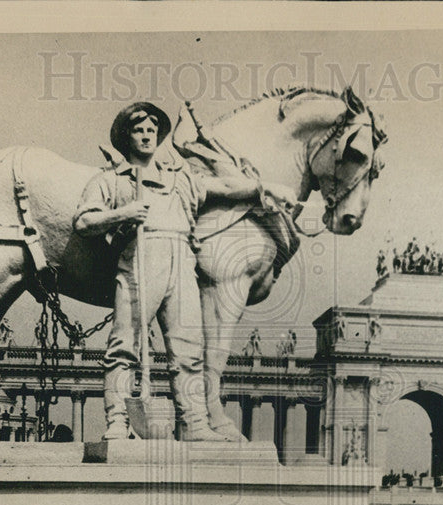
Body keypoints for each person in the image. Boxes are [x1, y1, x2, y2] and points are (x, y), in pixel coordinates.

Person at [74, 102, 294, 440]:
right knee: (124, 345)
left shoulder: (180, 179)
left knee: (189, 347)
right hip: (139, 261)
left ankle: (195, 423)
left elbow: (223, 188)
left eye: (152, 130)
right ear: (126, 137)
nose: (147, 135)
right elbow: (85, 220)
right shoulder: (110, 180)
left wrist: (263, 189)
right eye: (139, 130)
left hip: (182, 263)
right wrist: (122, 214)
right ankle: (117, 420)